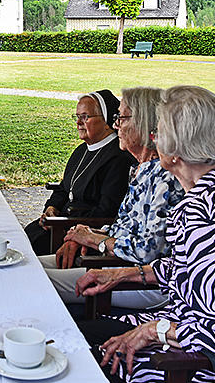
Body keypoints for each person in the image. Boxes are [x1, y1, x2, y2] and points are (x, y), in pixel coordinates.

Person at [76, 85, 215, 383]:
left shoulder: (207, 212)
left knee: (68, 362)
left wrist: (154, 331)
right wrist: (123, 273)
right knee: (72, 336)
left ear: (176, 148)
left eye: (161, 130)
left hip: (185, 367)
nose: (153, 137)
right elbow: (187, 270)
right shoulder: (200, 196)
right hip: (171, 326)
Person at [38, 87, 184, 309]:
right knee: (27, 266)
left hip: (139, 280)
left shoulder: (163, 177)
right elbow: (125, 227)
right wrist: (86, 235)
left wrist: (96, 241)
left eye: (121, 118)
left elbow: (146, 251)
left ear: (143, 124)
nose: (115, 125)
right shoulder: (141, 169)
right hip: (113, 260)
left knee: (35, 281)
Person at [25, 89, 136, 256]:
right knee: (25, 237)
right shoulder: (81, 150)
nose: (78, 122)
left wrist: (68, 227)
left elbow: (107, 211)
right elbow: (64, 188)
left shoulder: (118, 158)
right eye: (77, 116)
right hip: (61, 223)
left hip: (82, 233)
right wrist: (52, 207)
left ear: (106, 120)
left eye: (85, 117)